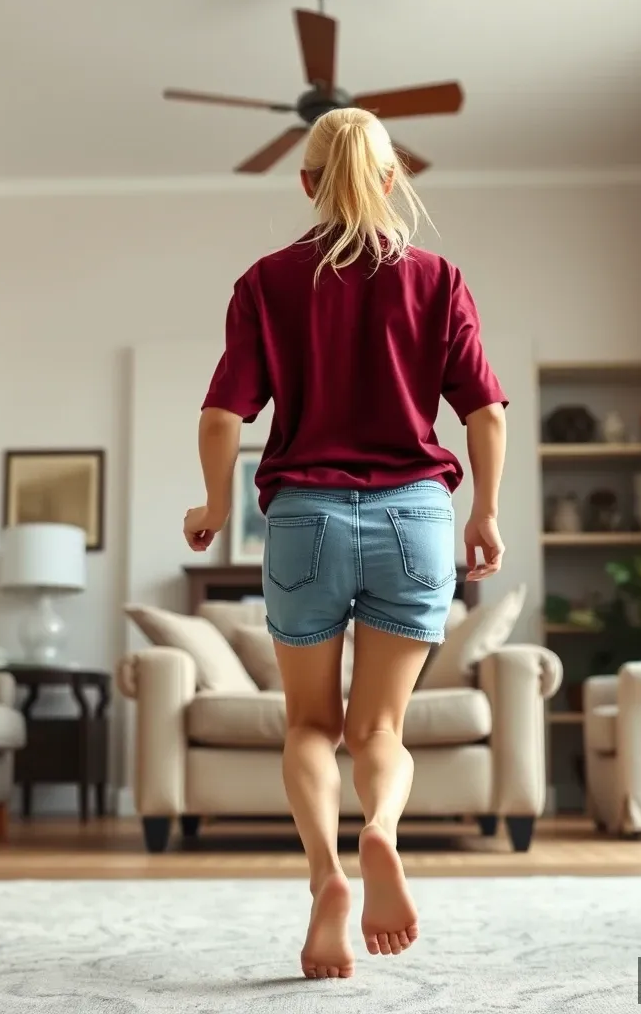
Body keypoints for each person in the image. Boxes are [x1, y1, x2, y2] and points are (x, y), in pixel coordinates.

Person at [183, 107, 507, 980]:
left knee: (311, 725)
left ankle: (328, 876)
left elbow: (222, 415)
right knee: (380, 729)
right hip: (415, 516)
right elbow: (483, 410)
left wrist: (214, 504)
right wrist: (484, 512)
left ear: (306, 185)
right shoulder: (438, 279)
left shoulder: (266, 281)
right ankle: (381, 832)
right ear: (393, 178)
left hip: (305, 519)